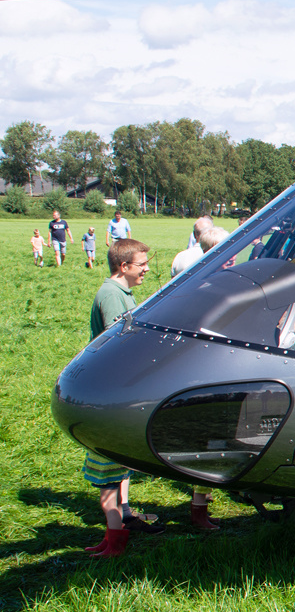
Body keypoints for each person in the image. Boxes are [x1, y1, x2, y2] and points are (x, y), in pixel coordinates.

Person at [82, 238, 156, 556]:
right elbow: (119, 345)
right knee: (107, 477)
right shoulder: (112, 295)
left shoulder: (122, 292)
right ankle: (115, 537)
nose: (147, 269)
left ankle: (115, 533)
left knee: (114, 472)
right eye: (142, 264)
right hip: (111, 392)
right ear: (124, 267)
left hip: (119, 389)